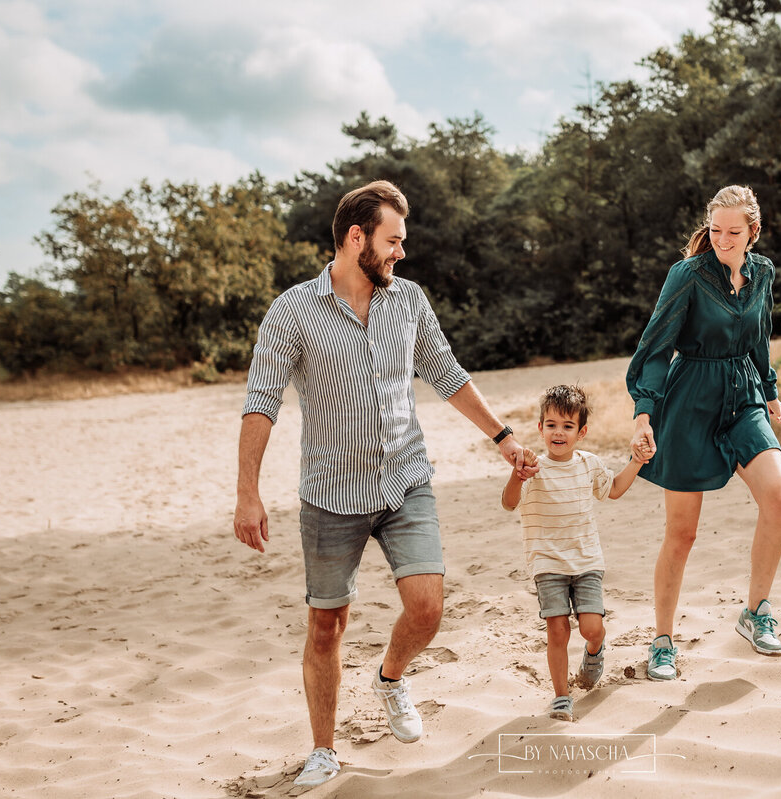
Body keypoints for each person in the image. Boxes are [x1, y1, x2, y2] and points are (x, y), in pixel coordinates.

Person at [233, 180, 537, 788]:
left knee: (426, 609)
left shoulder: (409, 301)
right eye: (393, 240)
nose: (402, 252)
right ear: (356, 238)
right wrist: (248, 492)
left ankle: (390, 677)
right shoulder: (292, 310)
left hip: (405, 480)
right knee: (327, 625)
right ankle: (323, 749)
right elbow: (260, 401)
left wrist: (503, 438)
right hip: (329, 496)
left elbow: (446, 373)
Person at [625, 184, 781, 681]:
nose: (722, 239)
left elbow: (759, 335)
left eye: (733, 232)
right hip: (690, 400)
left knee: (779, 497)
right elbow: (655, 347)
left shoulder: (763, 272)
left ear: (753, 233)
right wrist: (643, 413)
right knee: (683, 532)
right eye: (716, 230)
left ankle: (756, 610)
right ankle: (662, 641)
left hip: (742, 396)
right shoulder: (687, 276)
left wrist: (769, 389)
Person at [501, 385, 645, 721]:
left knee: (592, 628)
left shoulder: (589, 464)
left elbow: (615, 490)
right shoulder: (532, 468)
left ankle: (595, 654)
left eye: (567, 426)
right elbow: (509, 503)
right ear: (540, 428)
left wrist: (636, 461)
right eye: (551, 425)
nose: (558, 432)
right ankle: (561, 697)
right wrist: (517, 473)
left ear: (581, 432)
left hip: (586, 561)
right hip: (546, 561)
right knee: (557, 630)